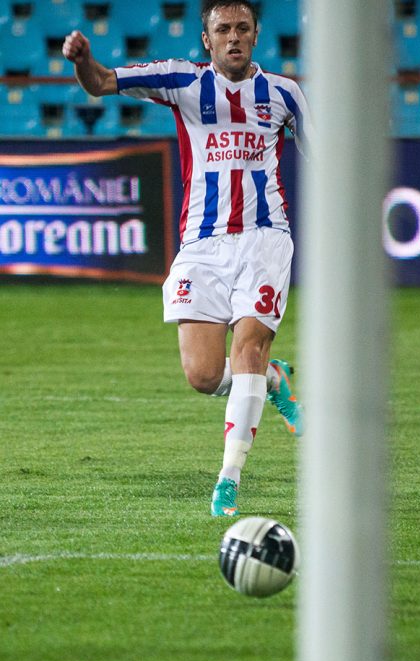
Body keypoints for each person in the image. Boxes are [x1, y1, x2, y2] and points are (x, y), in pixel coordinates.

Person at [62, 0, 308, 517]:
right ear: (207, 38)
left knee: (248, 348)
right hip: (201, 246)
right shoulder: (181, 81)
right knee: (202, 375)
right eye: (224, 29)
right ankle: (271, 381)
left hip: (266, 237)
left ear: (257, 35)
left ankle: (228, 480)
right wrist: (82, 60)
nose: (234, 37)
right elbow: (102, 82)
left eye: (243, 28)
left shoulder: (284, 94)